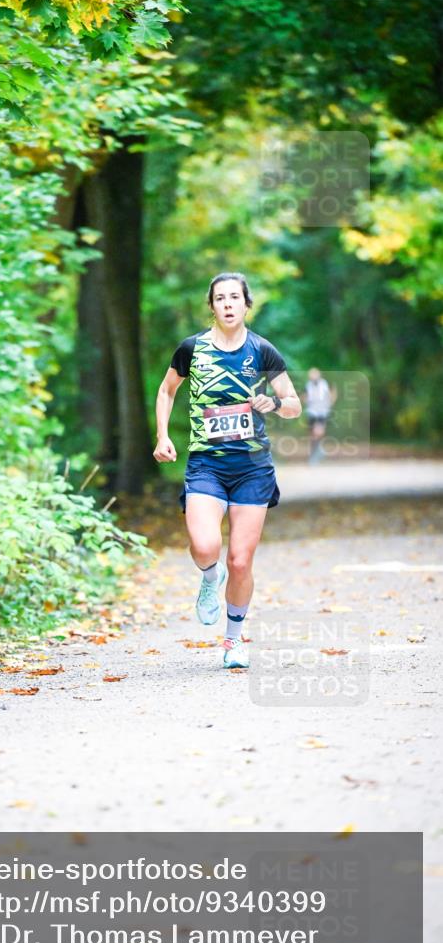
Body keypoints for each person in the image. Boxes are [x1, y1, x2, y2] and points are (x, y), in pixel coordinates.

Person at [153, 272, 301, 669]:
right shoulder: (192, 349)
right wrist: (163, 436)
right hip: (206, 465)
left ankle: (234, 640)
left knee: (240, 560)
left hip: (253, 469)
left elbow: (293, 403)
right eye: (221, 298)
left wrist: (274, 403)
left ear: (246, 303)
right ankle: (207, 578)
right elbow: (167, 390)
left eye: (235, 297)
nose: (229, 304)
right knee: (206, 548)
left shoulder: (262, 350)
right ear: (212, 306)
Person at [303, 368, 336, 465]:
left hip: (322, 412)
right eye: (311, 376)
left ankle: (316, 454)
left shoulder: (324, 384)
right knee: (313, 435)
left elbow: (332, 394)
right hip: (311, 412)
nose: (313, 378)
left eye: (314, 375)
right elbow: (304, 396)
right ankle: (316, 453)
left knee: (318, 432)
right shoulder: (308, 385)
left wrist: (330, 403)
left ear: (319, 375)